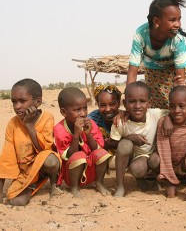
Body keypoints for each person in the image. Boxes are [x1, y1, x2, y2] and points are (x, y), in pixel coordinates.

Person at [127, 0, 186, 109]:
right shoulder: (141, 35)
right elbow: (132, 74)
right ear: (156, 21)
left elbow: (180, 79)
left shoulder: (177, 39)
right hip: (153, 70)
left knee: (179, 105)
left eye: (179, 19)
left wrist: (179, 87)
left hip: (177, 69)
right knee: (157, 108)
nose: (178, 24)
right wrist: (129, 105)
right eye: (172, 20)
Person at [0, 78, 61, 206]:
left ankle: (54, 186)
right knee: (17, 201)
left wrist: (29, 125)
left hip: (44, 164)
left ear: (37, 101)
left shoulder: (47, 117)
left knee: (50, 159)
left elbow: (44, 149)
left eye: (22, 101)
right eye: (14, 102)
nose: (17, 107)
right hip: (26, 170)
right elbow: (7, 158)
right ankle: (32, 183)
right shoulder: (13, 123)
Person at [110, 81, 170, 197]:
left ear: (149, 103)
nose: (137, 106)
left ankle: (159, 180)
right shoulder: (121, 122)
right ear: (125, 103)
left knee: (156, 160)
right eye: (132, 102)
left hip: (154, 155)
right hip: (137, 158)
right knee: (125, 145)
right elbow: (114, 143)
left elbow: (172, 113)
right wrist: (129, 138)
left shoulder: (155, 114)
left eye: (142, 101)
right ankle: (120, 186)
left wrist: (167, 119)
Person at [54, 87, 112, 197]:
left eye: (85, 108)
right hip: (71, 173)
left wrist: (88, 134)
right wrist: (76, 135)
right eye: (77, 110)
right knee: (78, 155)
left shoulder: (91, 124)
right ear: (63, 112)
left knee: (102, 153)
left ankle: (99, 182)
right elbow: (68, 156)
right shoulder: (59, 129)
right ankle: (74, 187)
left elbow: (96, 150)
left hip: (90, 171)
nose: (83, 113)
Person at [88, 84, 122, 152]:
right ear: (98, 105)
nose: (108, 109)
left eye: (112, 104)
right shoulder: (92, 119)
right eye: (103, 105)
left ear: (118, 103)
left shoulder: (125, 117)